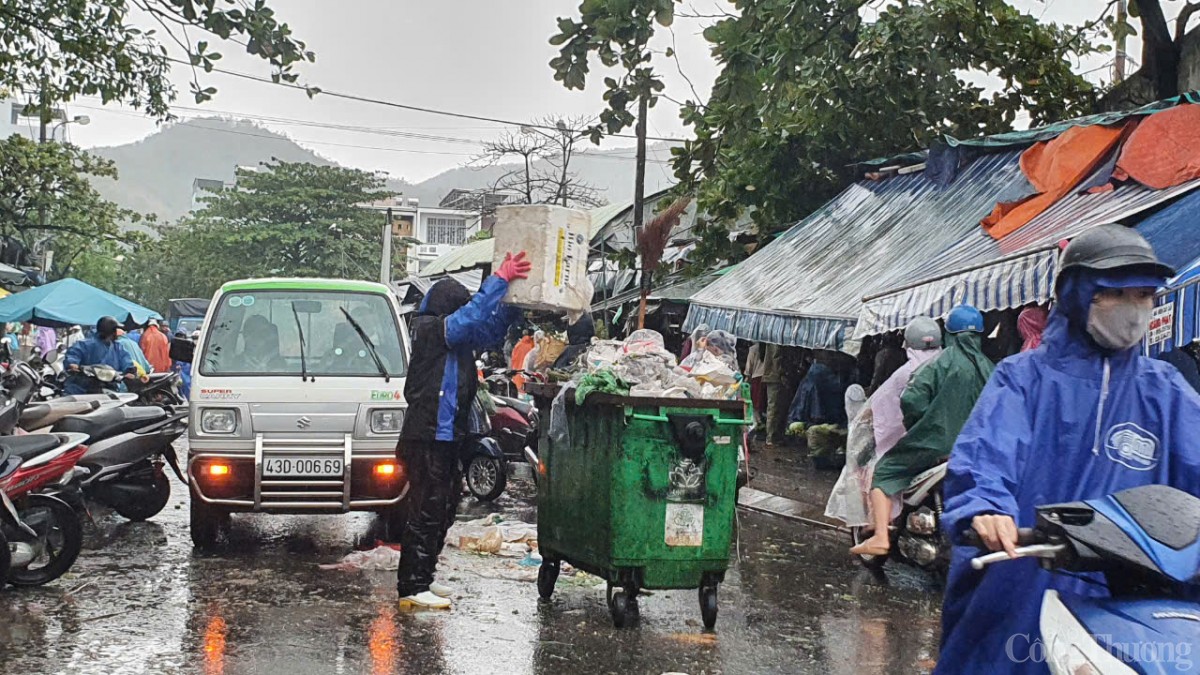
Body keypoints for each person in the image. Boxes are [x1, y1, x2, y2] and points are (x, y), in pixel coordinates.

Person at [936, 224, 1200, 675]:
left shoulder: (1167, 392)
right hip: (1020, 571)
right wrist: (984, 509)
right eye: (1116, 294)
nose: (1133, 310)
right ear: (1078, 295)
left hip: (1128, 597)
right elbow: (987, 456)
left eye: (1143, 295)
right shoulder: (1022, 378)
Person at [396, 251, 530, 611]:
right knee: (425, 512)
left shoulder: (457, 339)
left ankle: (424, 578)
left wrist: (514, 302)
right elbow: (469, 318)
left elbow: (487, 328)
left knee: (444, 510)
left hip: (447, 437)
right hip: (425, 437)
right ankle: (412, 586)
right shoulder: (429, 330)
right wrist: (499, 279)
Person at [851, 305, 994, 556]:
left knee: (884, 473)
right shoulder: (991, 368)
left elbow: (912, 401)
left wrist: (921, 425)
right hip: (976, 448)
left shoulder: (941, 364)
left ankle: (881, 536)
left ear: (949, 333)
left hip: (935, 444)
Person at [841, 317, 943, 545]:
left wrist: (862, 418)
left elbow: (882, 405)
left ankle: (881, 531)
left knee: (882, 472)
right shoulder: (952, 367)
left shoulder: (908, 372)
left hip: (918, 443)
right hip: (951, 443)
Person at [63, 316, 136, 395]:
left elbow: (125, 359)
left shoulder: (117, 347)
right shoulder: (86, 344)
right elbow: (74, 354)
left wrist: (129, 370)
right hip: (84, 386)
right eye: (115, 330)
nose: (116, 333)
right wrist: (73, 364)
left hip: (110, 385)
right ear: (110, 330)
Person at [763, 343, 786, 448]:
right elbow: (776, 357)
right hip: (775, 376)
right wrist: (782, 374)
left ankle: (773, 435)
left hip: (771, 375)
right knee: (774, 407)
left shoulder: (770, 340)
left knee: (774, 407)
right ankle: (771, 437)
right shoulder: (776, 341)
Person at [745, 342, 768, 427]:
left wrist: (747, 377)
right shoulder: (770, 348)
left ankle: (758, 425)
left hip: (756, 379)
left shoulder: (753, 349)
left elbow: (748, 368)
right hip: (767, 378)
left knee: (756, 406)